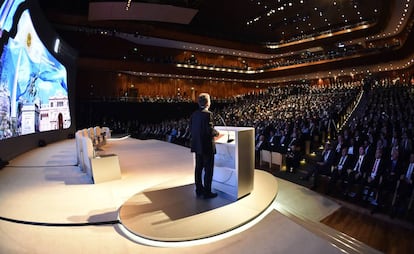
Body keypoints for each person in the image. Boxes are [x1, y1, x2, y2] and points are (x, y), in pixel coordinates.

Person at [190, 93, 220, 199]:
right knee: (208, 170)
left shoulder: (194, 114)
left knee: (198, 169)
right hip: (207, 147)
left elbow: (192, 130)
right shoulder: (208, 114)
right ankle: (207, 192)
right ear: (208, 102)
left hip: (197, 146)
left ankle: (199, 189)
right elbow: (209, 130)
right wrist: (217, 134)